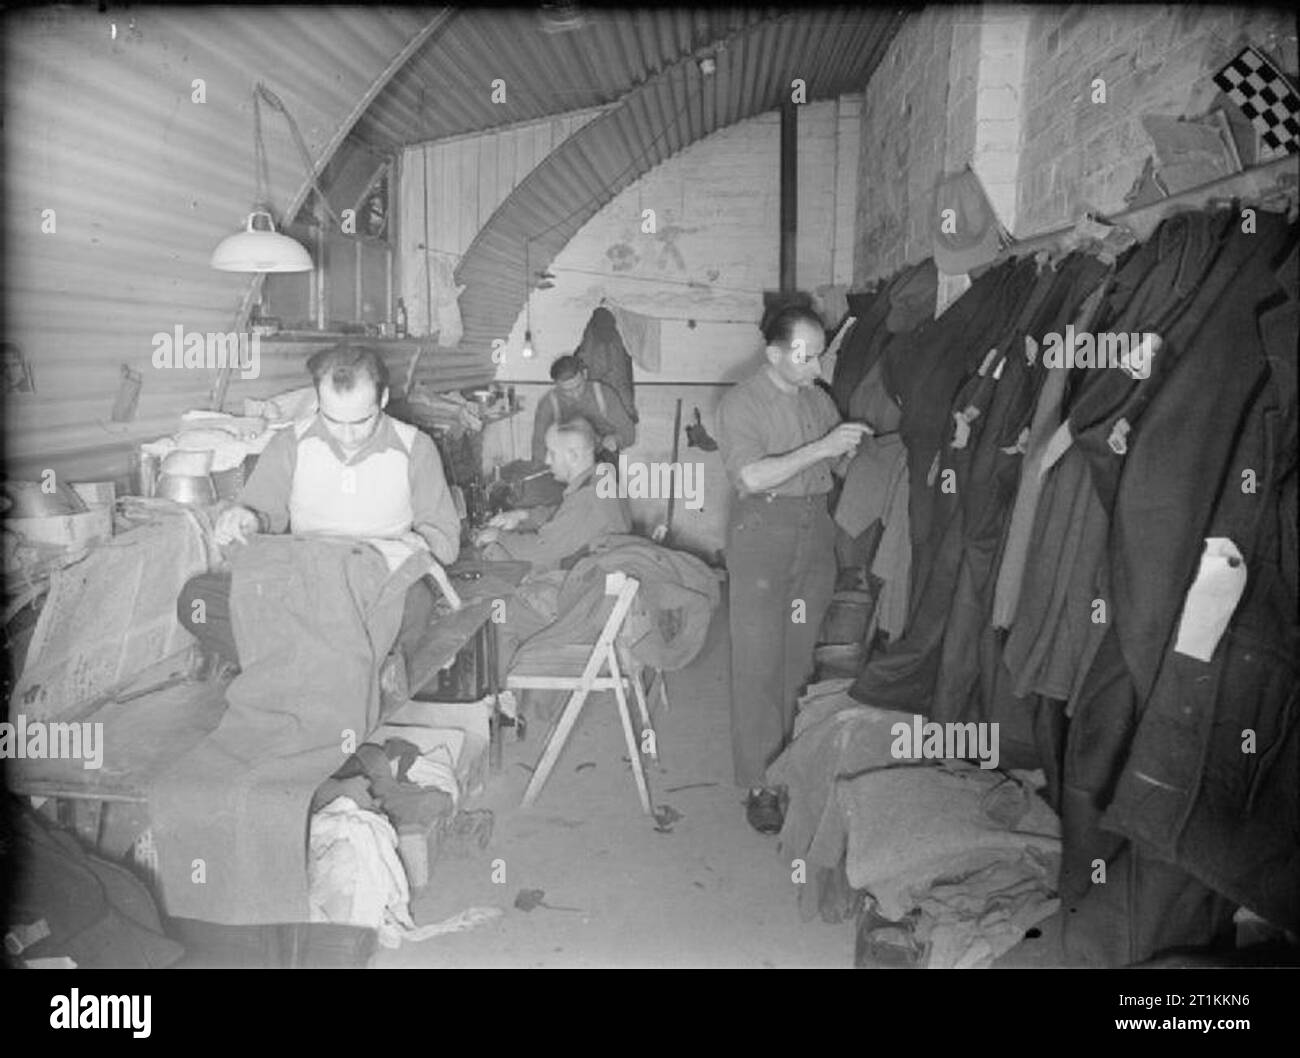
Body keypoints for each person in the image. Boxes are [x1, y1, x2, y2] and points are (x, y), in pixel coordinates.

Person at [177, 343, 461, 679]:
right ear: (318, 400)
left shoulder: (416, 448)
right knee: (197, 601)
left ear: (382, 400)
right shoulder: (290, 444)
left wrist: (414, 544)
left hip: (379, 585)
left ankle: (299, 661)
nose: (346, 435)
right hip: (306, 582)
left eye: (360, 421)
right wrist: (246, 519)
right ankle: (343, 664)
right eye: (333, 420)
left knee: (415, 606)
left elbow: (445, 542)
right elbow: (260, 516)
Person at [715, 305, 872, 834]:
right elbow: (753, 476)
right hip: (762, 534)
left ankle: (790, 767)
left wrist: (858, 451)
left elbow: (835, 462)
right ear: (774, 354)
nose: (816, 363)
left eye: (819, 352)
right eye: (806, 354)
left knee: (798, 662)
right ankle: (760, 783)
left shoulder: (817, 398)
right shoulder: (742, 403)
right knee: (757, 664)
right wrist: (823, 448)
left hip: (813, 534)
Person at [477, 416, 631, 571]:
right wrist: (523, 516)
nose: (547, 460)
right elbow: (564, 517)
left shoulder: (588, 497)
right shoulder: (599, 480)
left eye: (552, 453)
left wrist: (499, 537)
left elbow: (541, 550)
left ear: (573, 456)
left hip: (585, 584)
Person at [531, 355, 636, 464]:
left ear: (584, 374)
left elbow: (629, 432)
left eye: (578, 386)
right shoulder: (548, 403)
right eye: (567, 391)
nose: (575, 394)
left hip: (602, 455)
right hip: (567, 459)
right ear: (556, 384)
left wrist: (616, 439)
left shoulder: (603, 394)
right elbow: (538, 445)